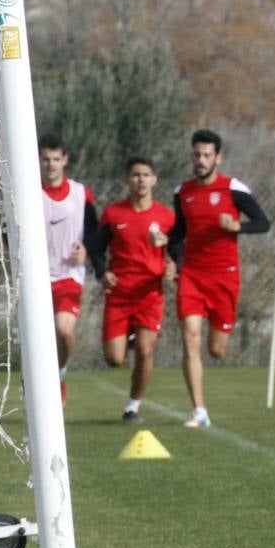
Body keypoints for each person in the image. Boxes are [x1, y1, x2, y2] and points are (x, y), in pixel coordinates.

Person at [166, 128, 270, 428]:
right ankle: (199, 411)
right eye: (197, 154)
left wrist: (237, 225)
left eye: (207, 155)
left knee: (217, 350)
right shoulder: (181, 192)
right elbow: (179, 234)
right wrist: (171, 256)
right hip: (192, 276)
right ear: (191, 156)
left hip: (225, 277)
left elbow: (263, 223)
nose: (201, 160)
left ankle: (222, 332)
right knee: (190, 337)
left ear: (217, 158)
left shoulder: (233, 188)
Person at [89, 157, 177, 422]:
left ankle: (133, 406)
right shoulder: (114, 214)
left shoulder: (166, 217)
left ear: (155, 179)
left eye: (146, 174)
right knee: (114, 359)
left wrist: (173, 264)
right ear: (127, 180)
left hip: (150, 294)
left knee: (146, 350)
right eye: (136, 175)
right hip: (119, 295)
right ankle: (129, 338)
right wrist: (103, 272)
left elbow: (178, 251)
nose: (141, 179)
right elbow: (95, 249)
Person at [39, 132, 101, 402]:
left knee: (64, 331)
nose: (51, 164)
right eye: (45, 159)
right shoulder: (29, 192)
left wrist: (86, 249)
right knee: (38, 340)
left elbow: (94, 231)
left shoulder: (80, 193)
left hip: (68, 277)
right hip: (35, 280)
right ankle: (38, 381)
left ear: (65, 160)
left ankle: (60, 373)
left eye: (55, 159)